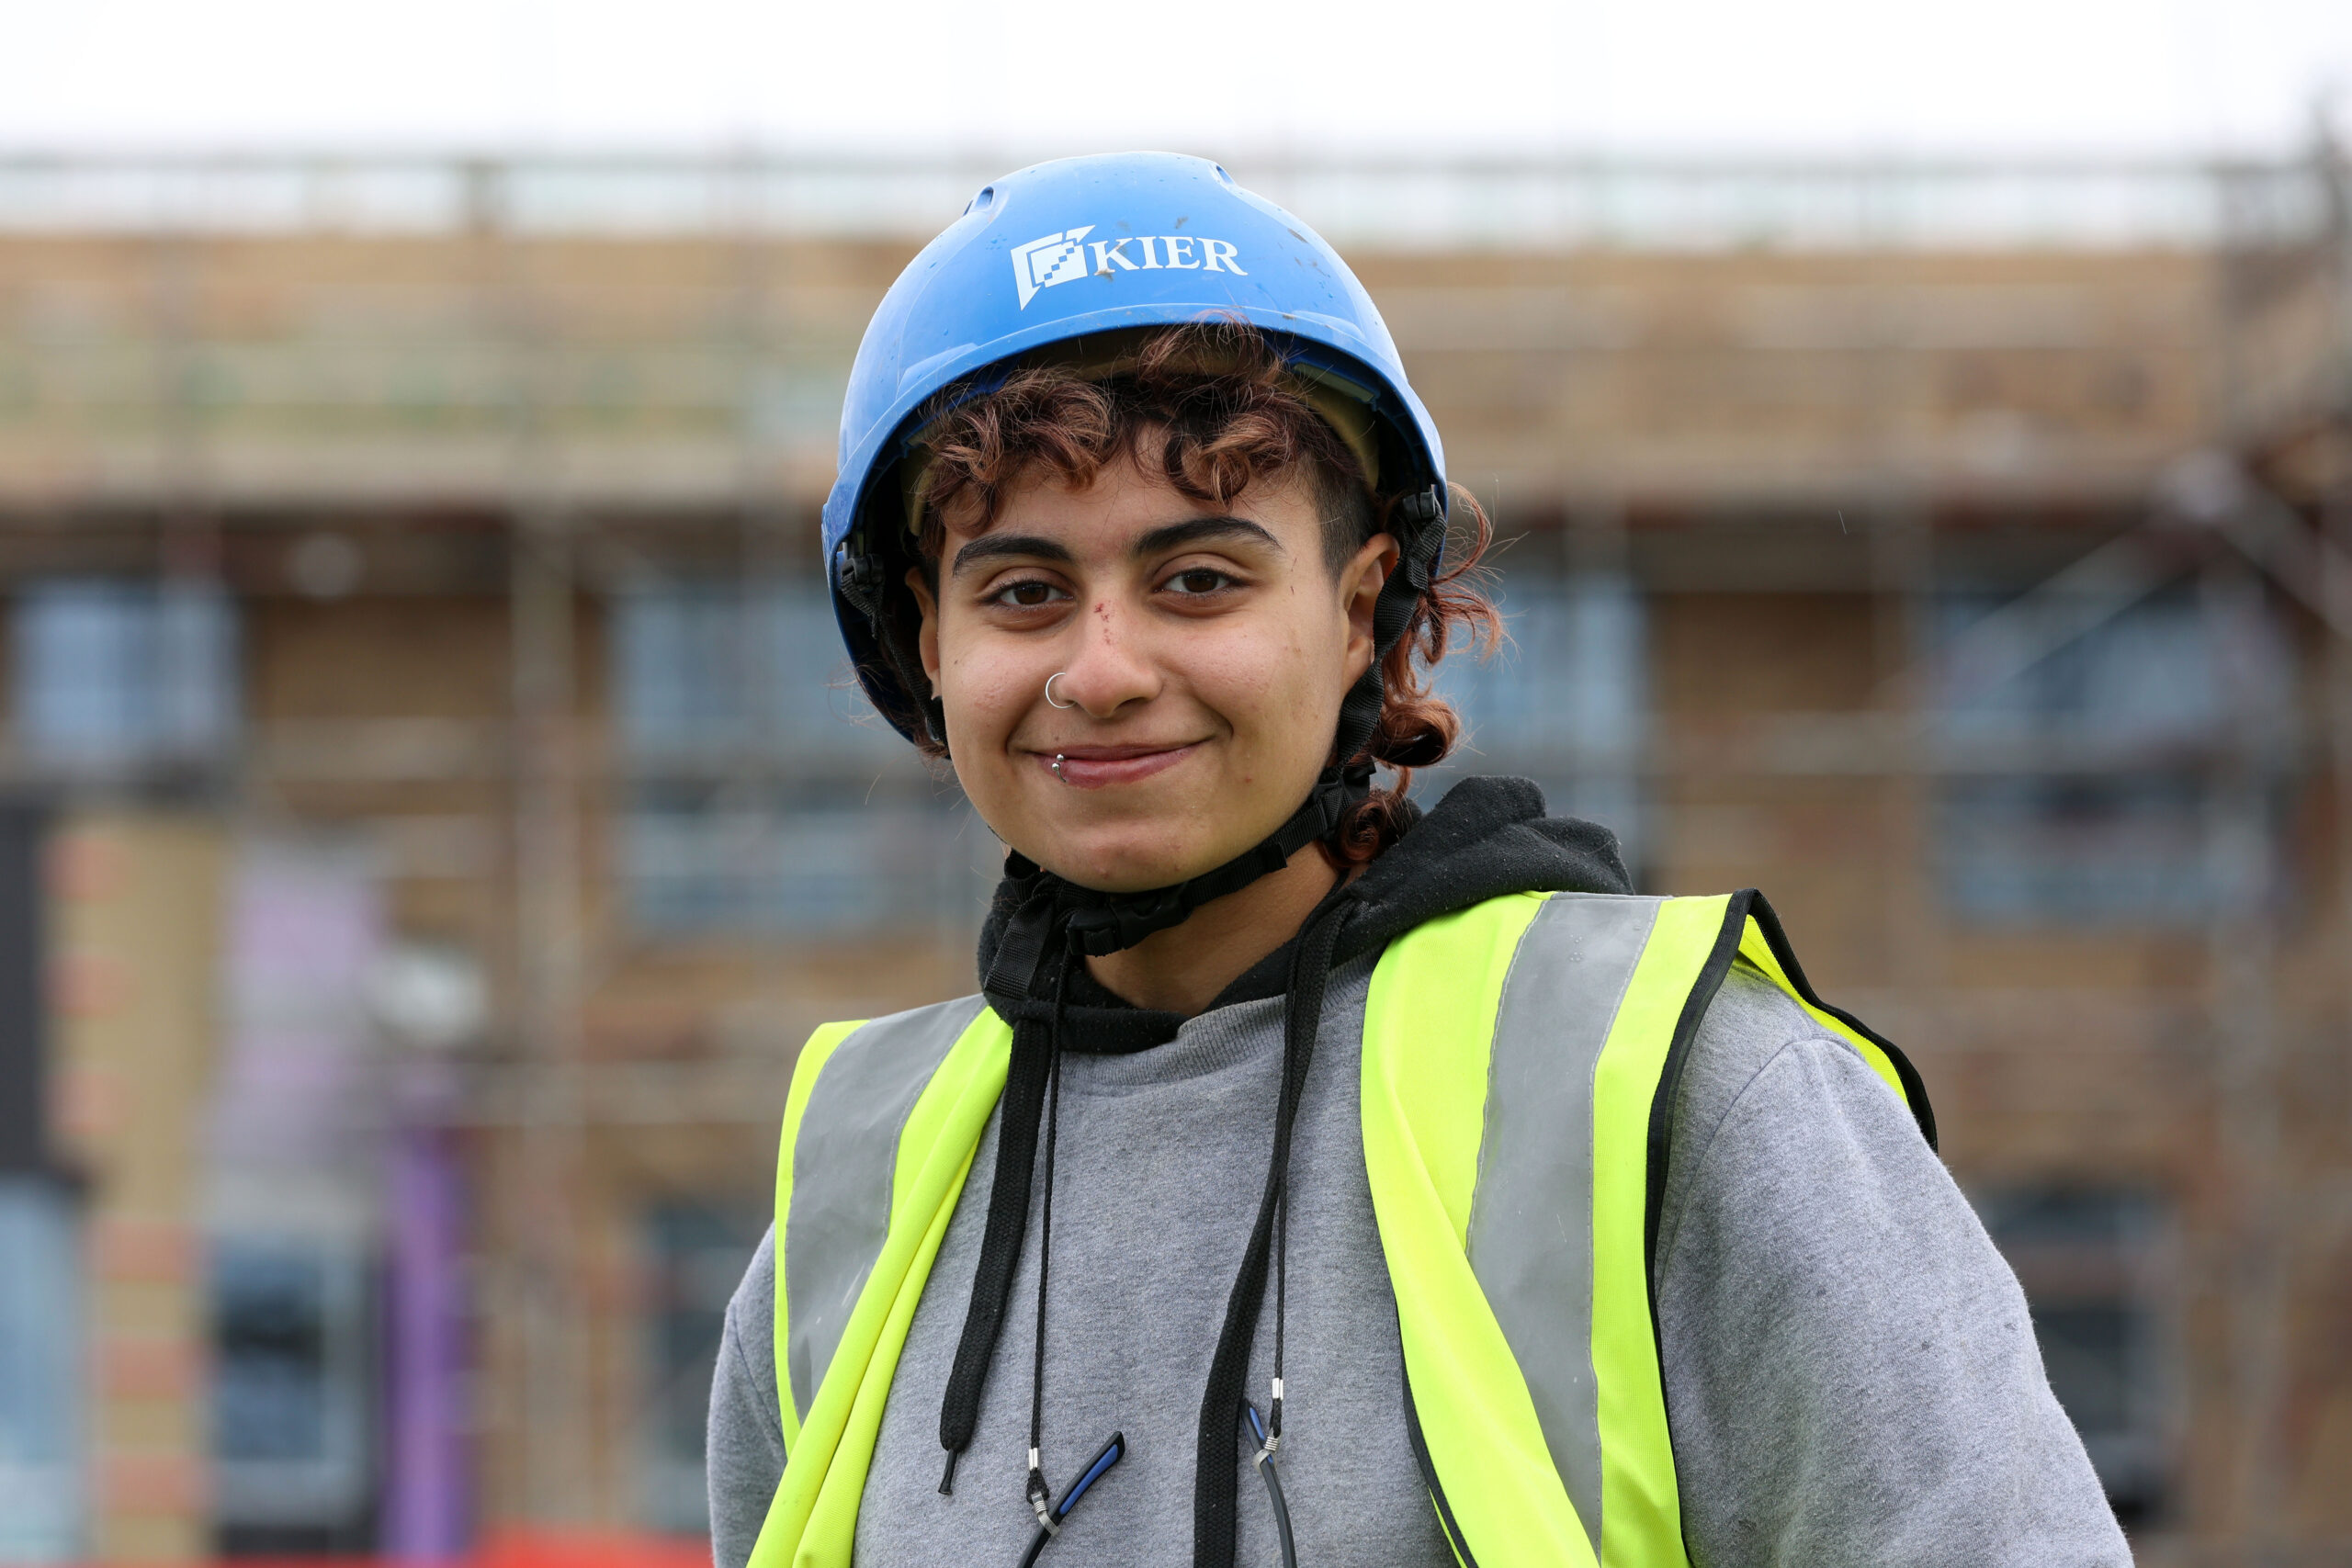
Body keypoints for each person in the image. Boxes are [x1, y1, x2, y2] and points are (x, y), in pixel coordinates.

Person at [707, 152, 2129, 1568]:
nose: (1105, 669)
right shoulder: (847, 1215)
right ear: (932, 644)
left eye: (1199, 579)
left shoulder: (1675, 1096)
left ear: (1356, 609)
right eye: (1023, 592)